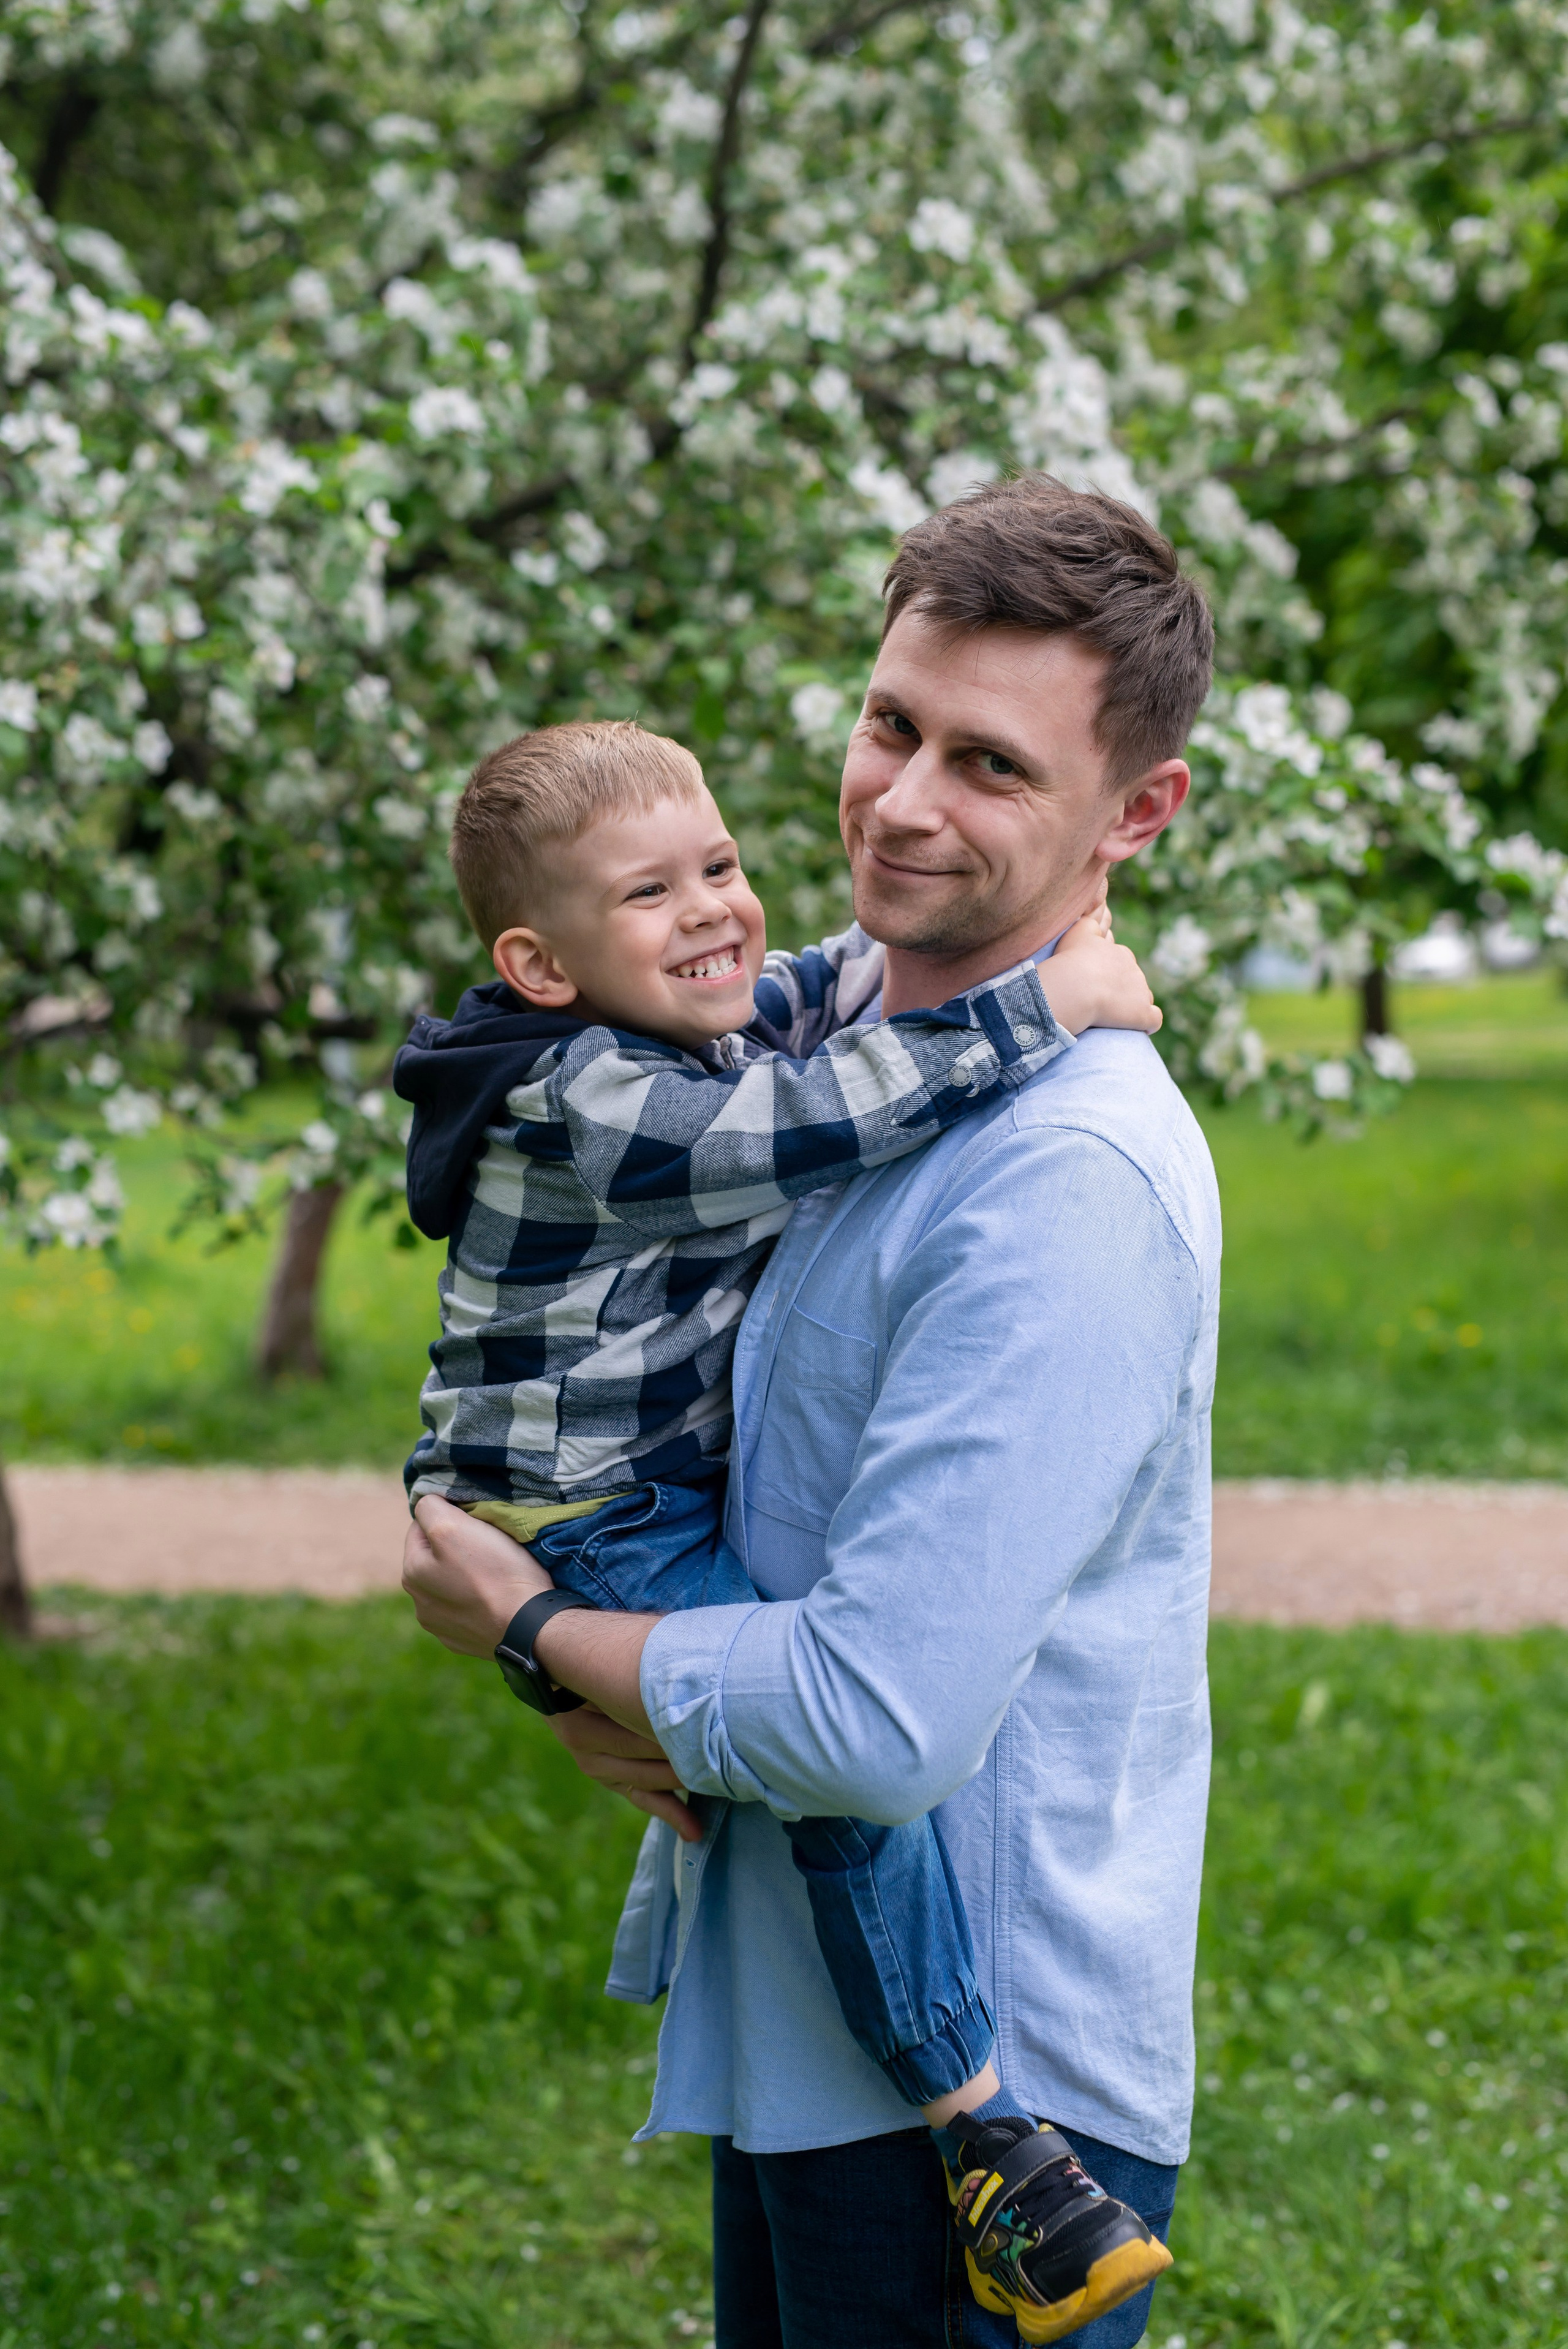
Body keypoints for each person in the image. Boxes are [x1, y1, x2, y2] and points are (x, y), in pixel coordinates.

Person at [404, 472, 1221, 2349]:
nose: (906, 800)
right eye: (890, 724)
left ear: (1137, 812)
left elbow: (875, 1719)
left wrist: (531, 1625)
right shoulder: (805, 1034)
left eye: (992, 765)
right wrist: (585, 1663)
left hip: (998, 2112)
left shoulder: (1069, 1177)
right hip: (791, 2019)